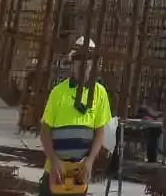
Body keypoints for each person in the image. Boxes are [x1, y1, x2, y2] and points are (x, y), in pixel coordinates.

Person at [37, 36, 112, 194]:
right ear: (72, 63)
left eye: (88, 59)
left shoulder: (100, 93)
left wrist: (90, 161)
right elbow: (45, 133)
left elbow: (100, 133)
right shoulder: (58, 92)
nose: (84, 64)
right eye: (79, 59)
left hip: (79, 172)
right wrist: (54, 160)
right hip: (56, 171)